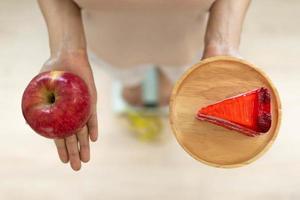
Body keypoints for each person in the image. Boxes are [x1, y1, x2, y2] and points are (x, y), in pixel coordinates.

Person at [37, 0, 251, 171]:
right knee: (129, 77)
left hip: (188, 40)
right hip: (113, 45)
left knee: (176, 76)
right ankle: (134, 88)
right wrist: (67, 48)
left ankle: (163, 88)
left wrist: (222, 43)